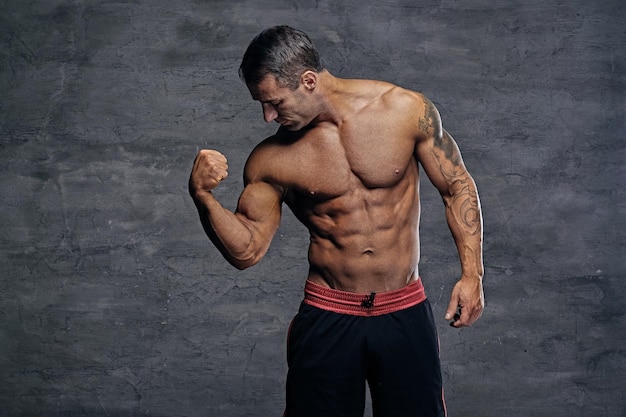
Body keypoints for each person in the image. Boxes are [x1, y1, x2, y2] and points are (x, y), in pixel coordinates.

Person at [189, 25, 484, 417]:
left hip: (403, 310)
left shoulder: (406, 111)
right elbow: (247, 250)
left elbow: (457, 187)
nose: (267, 116)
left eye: (274, 102)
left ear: (308, 81)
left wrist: (472, 274)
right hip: (329, 315)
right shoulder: (271, 158)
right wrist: (203, 198)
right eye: (261, 104)